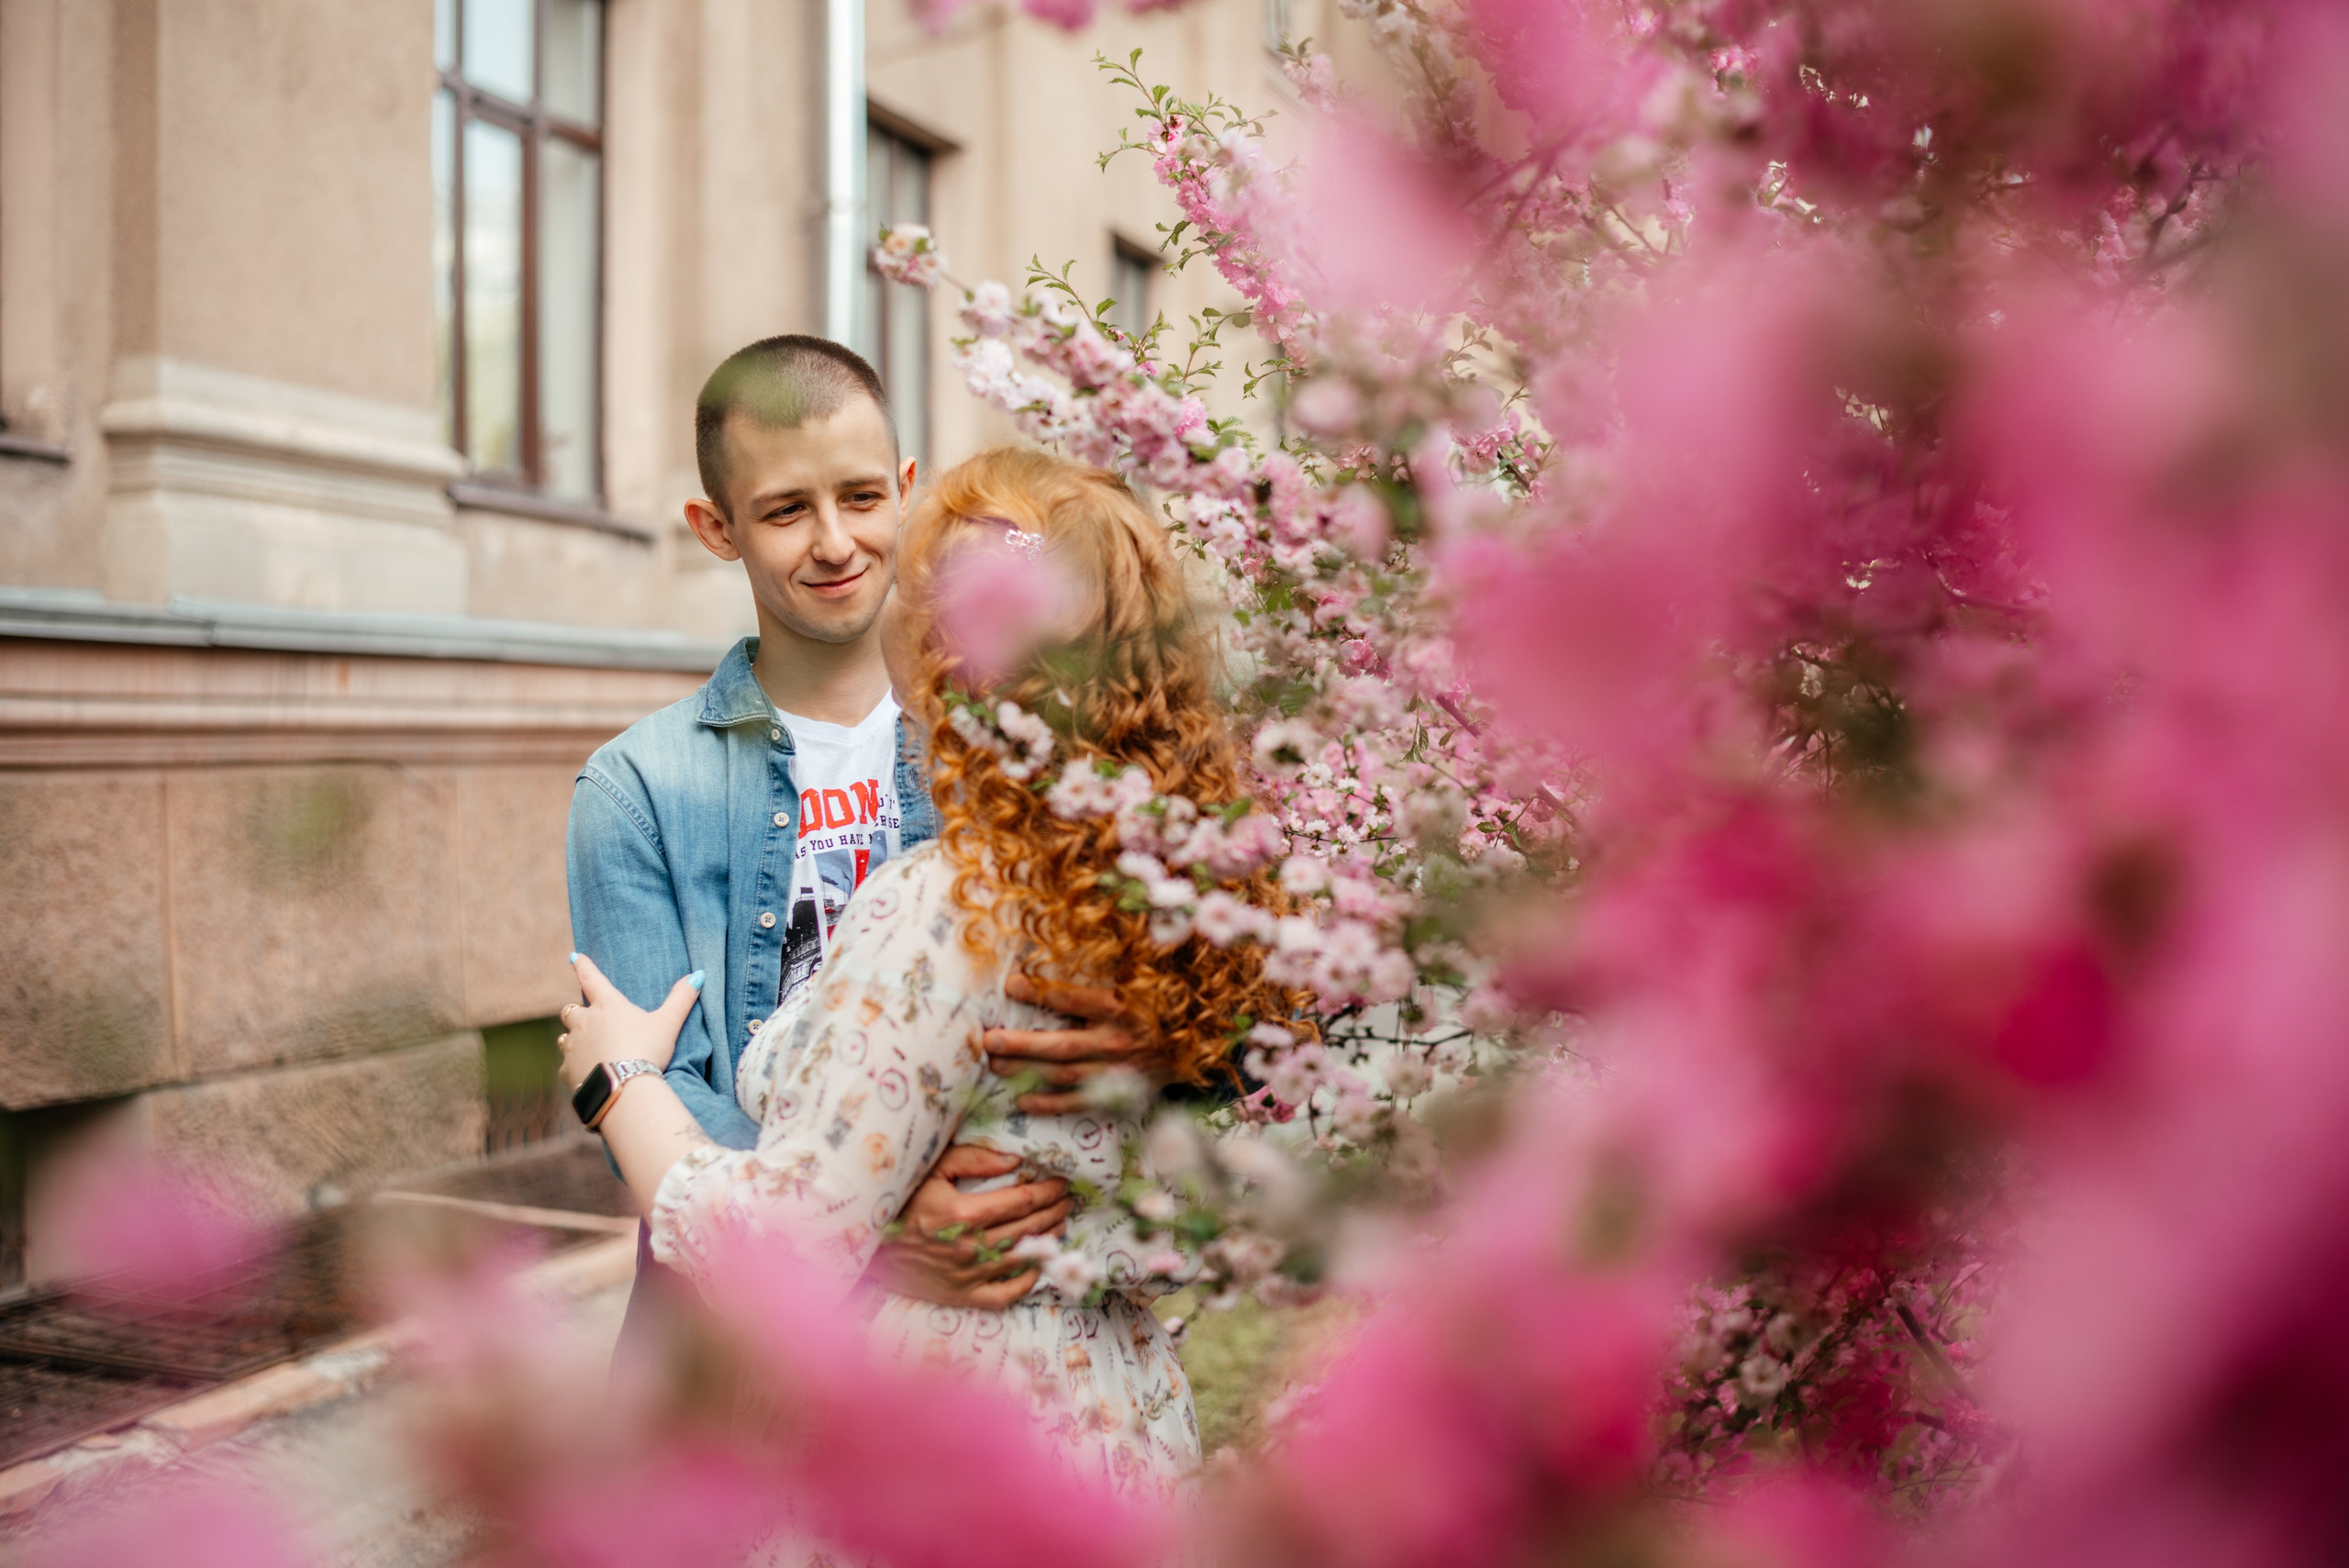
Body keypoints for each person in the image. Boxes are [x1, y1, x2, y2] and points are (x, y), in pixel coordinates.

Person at [555, 446, 1302, 1501]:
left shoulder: (956, 901)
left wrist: (616, 1080)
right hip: (1110, 1420)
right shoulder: (1184, 891)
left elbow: (779, 1244)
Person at [566, 339, 1158, 1341]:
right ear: (717, 528)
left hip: (974, 1330)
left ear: (906, 489)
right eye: (786, 511)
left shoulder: (1009, 751)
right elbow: (658, 1089)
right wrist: (871, 1227)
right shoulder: (635, 789)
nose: (836, 542)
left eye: (861, 496)